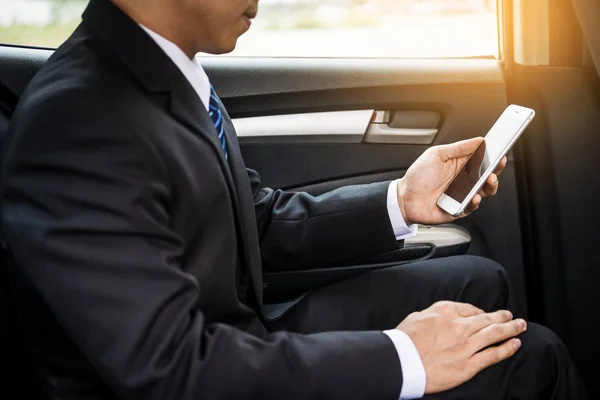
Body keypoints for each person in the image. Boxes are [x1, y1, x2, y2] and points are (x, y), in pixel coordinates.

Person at [0, 0, 589, 399]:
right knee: (531, 355)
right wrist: (404, 358)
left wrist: (402, 200)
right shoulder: (79, 124)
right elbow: (170, 369)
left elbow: (251, 222)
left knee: (477, 282)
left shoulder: (162, 71)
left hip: (232, 337)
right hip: (203, 372)